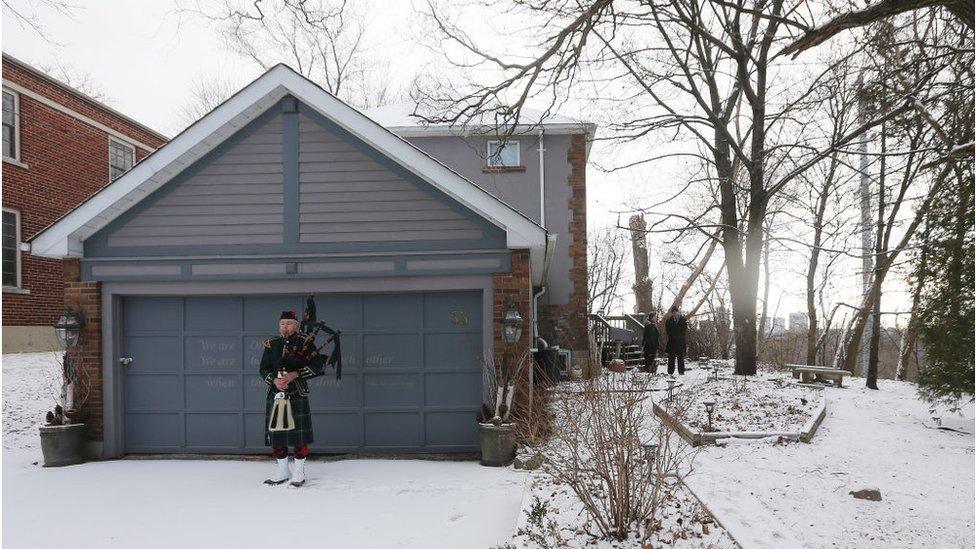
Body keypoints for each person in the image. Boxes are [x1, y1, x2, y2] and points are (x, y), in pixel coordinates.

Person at [260, 310, 325, 487]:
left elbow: (317, 366)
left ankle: (299, 472)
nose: (285, 327)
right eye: (282, 323)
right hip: (276, 393)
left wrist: (295, 374)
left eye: (288, 323)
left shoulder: (305, 342)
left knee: (299, 436)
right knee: (277, 434)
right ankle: (282, 471)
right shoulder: (271, 344)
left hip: (297, 392)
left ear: (296, 326)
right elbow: (263, 368)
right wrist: (274, 380)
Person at [664, 305, 687, 375]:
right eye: (673, 312)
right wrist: (672, 336)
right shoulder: (669, 320)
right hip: (672, 341)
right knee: (671, 357)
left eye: (675, 312)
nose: (674, 313)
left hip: (680, 341)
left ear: (677, 312)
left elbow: (684, 330)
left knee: (680, 357)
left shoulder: (683, 320)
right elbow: (667, 330)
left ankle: (681, 371)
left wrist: (679, 336)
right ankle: (670, 372)